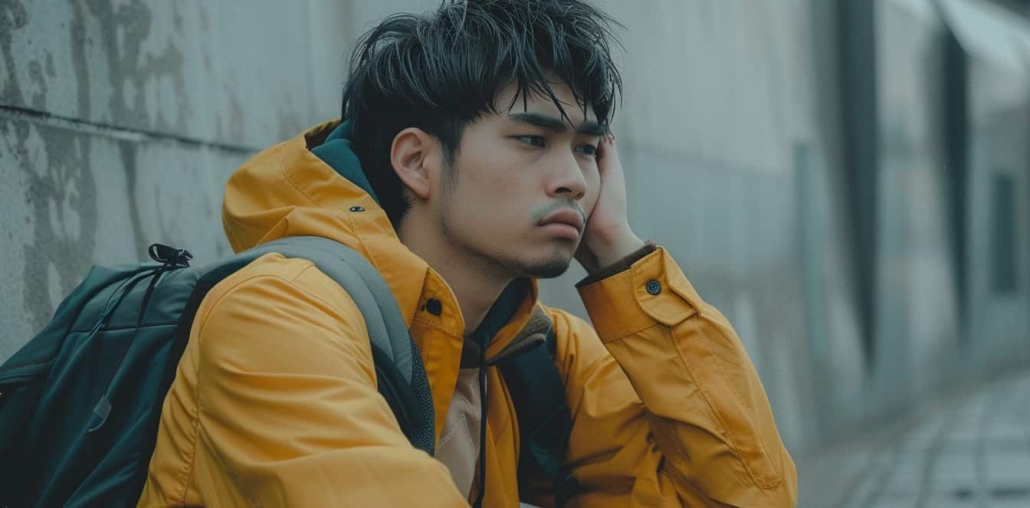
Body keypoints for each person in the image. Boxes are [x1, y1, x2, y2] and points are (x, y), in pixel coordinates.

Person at [137, 0, 798, 506]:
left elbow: (749, 496)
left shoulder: (534, 355)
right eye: (532, 141)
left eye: (589, 149)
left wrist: (617, 252)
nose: (574, 178)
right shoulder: (276, 315)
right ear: (417, 162)